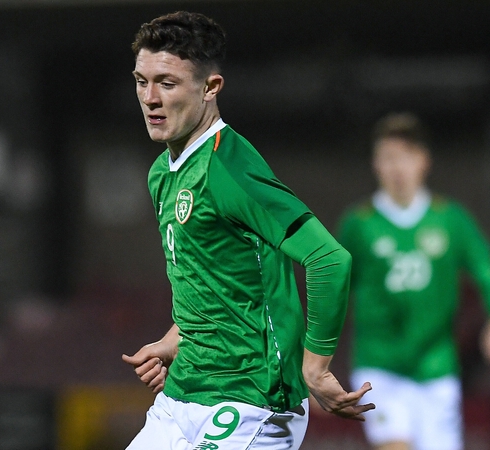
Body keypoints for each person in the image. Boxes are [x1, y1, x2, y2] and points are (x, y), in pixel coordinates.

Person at [121, 11, 374, 450]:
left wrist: (316, 368)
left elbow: (330, 259)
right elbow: (217, 282)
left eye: (167, 82)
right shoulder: (163, 172)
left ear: (210, 88)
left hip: (251, 401)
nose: (150, 98)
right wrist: (172, 340)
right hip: (181, 397)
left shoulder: (229, 168)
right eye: (142, 81)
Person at [338, 112, 490, 450]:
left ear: (423, 161)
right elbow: (333, 290)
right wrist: (318, 354)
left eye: (405, 157)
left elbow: (486, 271)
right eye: (388, 158)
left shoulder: (450, 219)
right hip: (381, 363)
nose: (397, 168)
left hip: (436, 365)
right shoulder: (359, 225)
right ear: (376, 164)